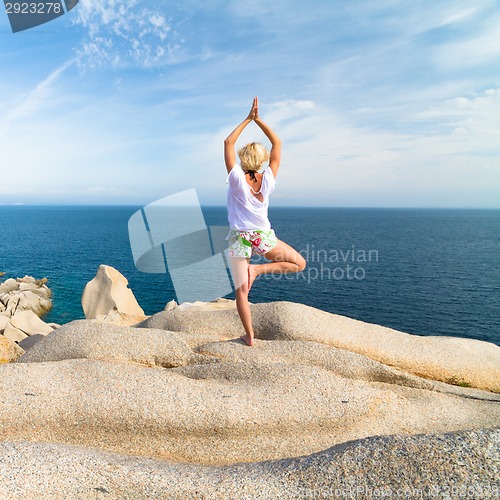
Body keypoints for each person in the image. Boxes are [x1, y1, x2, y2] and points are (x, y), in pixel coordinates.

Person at [224, 97, 306, 346]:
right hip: (262, 236)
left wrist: (247, 119)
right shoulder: (268, 178)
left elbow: (228, 141)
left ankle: (249, 336)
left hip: (239, 237)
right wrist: (258, 120)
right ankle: (258, 270)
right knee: (299, 264)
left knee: (241, 292)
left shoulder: (237, 177)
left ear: (242, 158)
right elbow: (277, 142)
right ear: (262, 160)